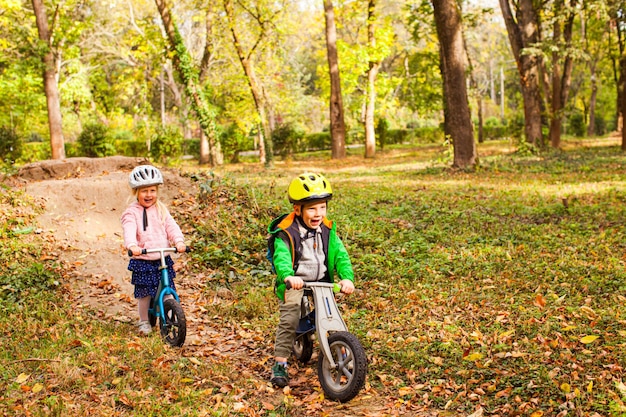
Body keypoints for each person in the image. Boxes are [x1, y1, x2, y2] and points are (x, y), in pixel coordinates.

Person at [268, 172, 355, 387]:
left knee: (333, 317)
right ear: (297, 209)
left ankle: (342, 350)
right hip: (296, 281)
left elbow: (340, 254)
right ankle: (280, 363)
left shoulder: (327, 229)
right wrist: (288, 276)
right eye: (312, 208)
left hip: (321, 280)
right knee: (289, 320)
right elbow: (282, 257)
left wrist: (347, 278)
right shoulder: (286, 232)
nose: (318, 213)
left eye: (322, 207)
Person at [121, 165, 186, 335]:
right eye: (144, 191)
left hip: (162, 258)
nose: (148, 195)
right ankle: (143, 321)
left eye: (152, 190)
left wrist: (178, 241)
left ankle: (171, 318)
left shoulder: (161, 209)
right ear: (136, 192)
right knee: (145, 294)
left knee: (168, 292)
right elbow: (129, 229)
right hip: (143, 260)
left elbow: (172, 227)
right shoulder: (131, 213)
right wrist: (132, 246)